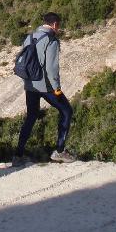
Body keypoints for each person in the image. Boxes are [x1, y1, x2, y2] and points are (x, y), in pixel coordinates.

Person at [12, 12, 76, 167]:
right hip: (46, 86)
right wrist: (57, 89)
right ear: (54, 25)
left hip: (30, 85)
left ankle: (18, 155)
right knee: (66, 111)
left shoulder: (29, 37)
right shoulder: (51, 40)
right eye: (59, 25)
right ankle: (59, 151)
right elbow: (51, 69)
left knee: (31, 117)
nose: (59, 28)